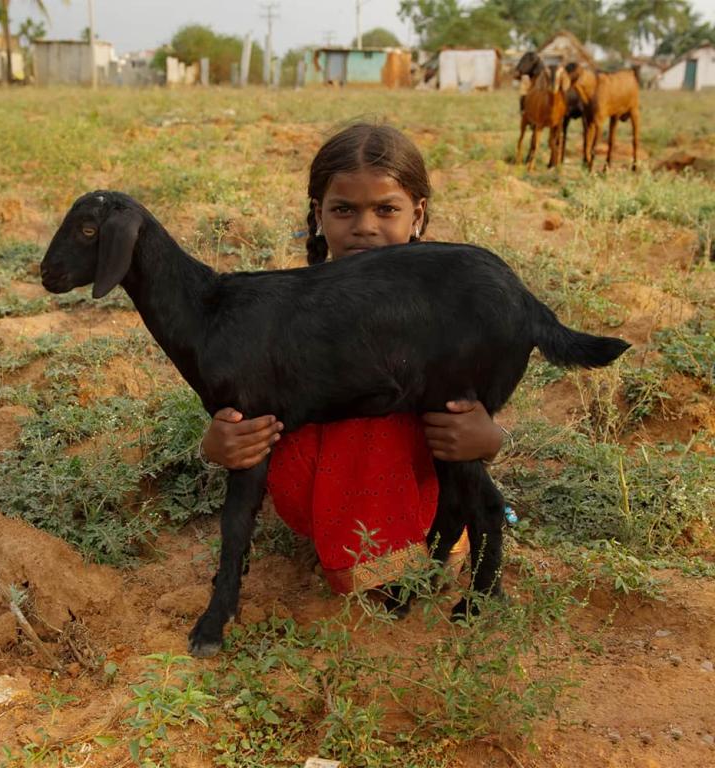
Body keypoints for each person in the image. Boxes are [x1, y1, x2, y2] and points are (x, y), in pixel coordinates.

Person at [200, 123, 504, 593]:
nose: (365, 227)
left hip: (424, 487)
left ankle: (421, 546)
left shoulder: (446, 305)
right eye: (344, 210)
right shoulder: (287, 307)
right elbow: (243, 390)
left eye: (386, 209)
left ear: (417, 215)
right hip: (319, 490)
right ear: (318, 214)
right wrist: (221, 441)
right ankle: (363, 552)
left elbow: (481, 397)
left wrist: (488, 436)